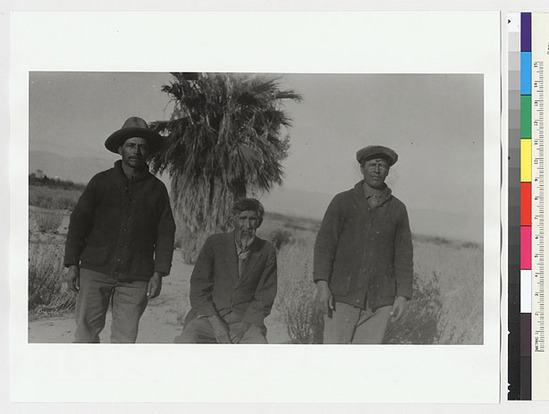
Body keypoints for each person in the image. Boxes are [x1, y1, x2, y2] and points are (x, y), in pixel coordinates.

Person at [63, 116, 176, 343]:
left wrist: (158, 273)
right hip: (95, 271)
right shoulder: (101, 182)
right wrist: (72, 264)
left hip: (136, 277)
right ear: (120, 149)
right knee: (85, 333)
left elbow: (165, 233)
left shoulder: (157, 190)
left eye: (143, 147)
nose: (136, 151)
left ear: (149, 152)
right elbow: (78, 224)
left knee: (125, 339)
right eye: (131, 145)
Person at [313, 145, 413, 344]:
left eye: (382, 165)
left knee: (365, 364)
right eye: (372, 164)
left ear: (388, 171)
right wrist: (322, 284)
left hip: (379, 304)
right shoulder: (342, 202)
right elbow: (325, 245)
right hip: (340, 298)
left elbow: (403, 255)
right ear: (362, 168)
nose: (377, 169)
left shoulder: (398, 209)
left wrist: (402, 295)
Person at [175, 198, 277, 344]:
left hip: (245, 323)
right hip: (210, 319)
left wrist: (242, 328)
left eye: (252, 219)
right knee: (186, 341)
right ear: (232, 220)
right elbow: (199, 289)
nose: (247, 225)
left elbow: (264, 297)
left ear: (259, 222)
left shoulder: (267, 250)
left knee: (259, 348)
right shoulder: (215, 244)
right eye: (242, 219)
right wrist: (217, 325)